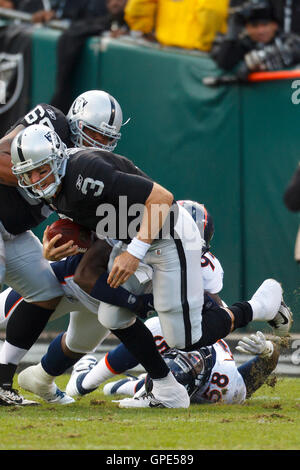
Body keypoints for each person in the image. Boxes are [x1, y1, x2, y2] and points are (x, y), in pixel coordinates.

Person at [10, 124, 292, 408]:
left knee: (184, 338)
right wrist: (57, 246)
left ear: (57, 157)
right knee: (111, 314)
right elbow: (100, 218)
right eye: (28, 174)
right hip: (133, 238)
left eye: (40, 169)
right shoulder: (53, 187)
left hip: (169, 236)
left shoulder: (86, 170)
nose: (35, 179)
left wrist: (133, 252)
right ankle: (167, 388)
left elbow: (162, 198)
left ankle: (258, 307)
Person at [0, 89, 126, 406]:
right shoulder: (51, 122)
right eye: (92, 133)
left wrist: (60, 242)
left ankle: (2, 381)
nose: (97, 143)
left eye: (105, 138)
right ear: (75, 122)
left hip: (14, 232)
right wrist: (42, 173)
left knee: (45, 291)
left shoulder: (87, 168)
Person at [211, 0, 300, 80]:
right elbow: (223, 62)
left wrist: (259, 59)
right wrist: (232, 31)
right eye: (254, 26)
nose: (260, 31)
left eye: (265, 24)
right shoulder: (244, 43)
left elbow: (295, 49)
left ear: (275, 25)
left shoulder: (287, 40)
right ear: (247, 28)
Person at [124, 0, 230, 52]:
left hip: (162, 48)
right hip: (196, 54)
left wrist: (142, 32)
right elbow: (211, 13)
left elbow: (138, 7)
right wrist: (206, 44)